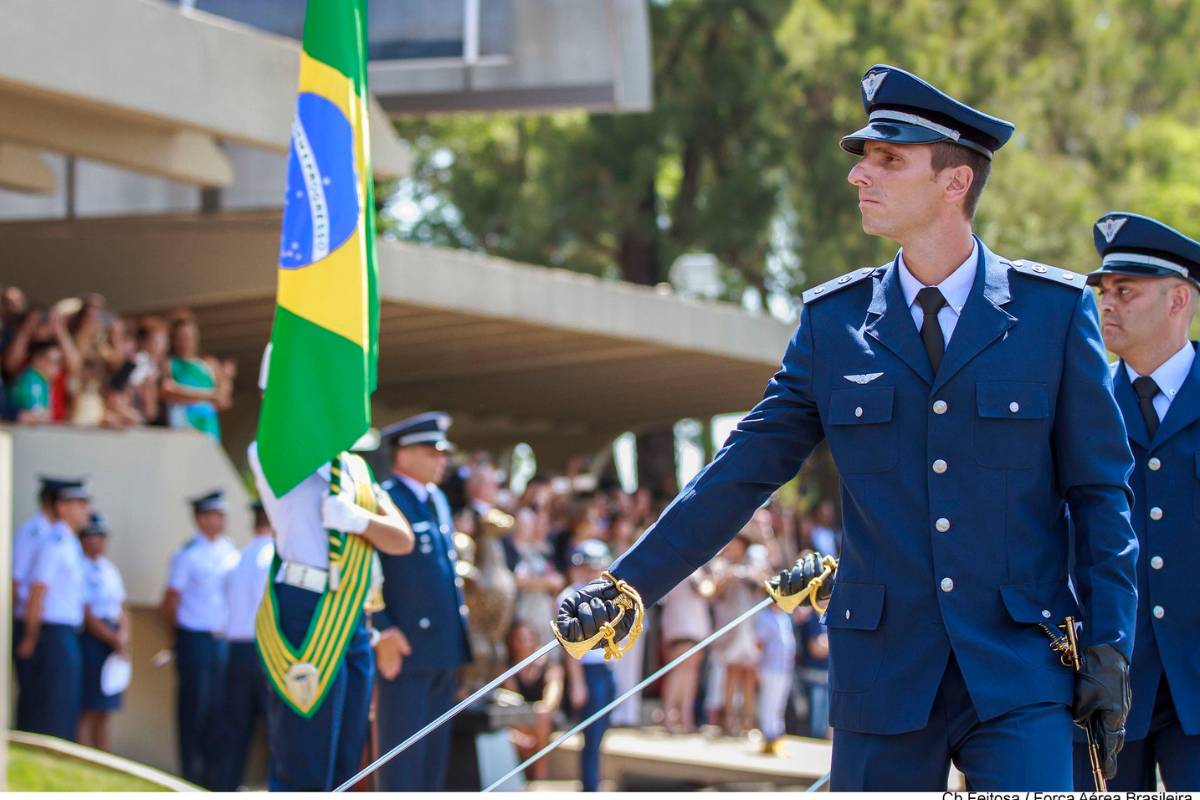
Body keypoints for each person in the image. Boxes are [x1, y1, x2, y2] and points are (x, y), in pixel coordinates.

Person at [557, 65, 1139, 791]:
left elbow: (1100, 495)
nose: (861, 174)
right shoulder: (834, 325)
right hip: (882, 677)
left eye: (888, 158)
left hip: (1022, 670)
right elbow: (742, 469)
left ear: (955, 181)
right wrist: (631, 583)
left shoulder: (1052, 314)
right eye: (863, 157)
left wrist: (1112, 648)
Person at [1079, 212, 1200, 790]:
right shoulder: (1078, 402)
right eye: (1104, 291)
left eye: (1126, 291)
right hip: (1107, 689)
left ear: (1179, 300)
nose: (1108, 304)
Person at [249, 429, 413, 791]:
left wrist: (359, 519)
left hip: (351, 613)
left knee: (346, 759)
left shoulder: (357, 472)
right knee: (304, 757)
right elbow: (264, 443)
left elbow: (402, 538)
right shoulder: (281, 455)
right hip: (306, 608)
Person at [371, 412, 471, 792]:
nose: (441, 460)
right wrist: (383, 630)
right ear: (403, 454)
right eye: (432, 452)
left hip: (441, 648)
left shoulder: (438, 500)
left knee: (432, 763)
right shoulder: (385, 499)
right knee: (402, 762)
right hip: (406, 647)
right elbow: (369, 572)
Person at [160, 489, 239, 786]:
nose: (216, 521)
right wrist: (178, 639)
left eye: (220, 515)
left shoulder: (230, 552)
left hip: (222, 641)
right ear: (198, 519)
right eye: (209, 515)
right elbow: (169, 603)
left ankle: (213, 778)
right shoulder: (187, 555)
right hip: (194, 639)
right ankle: (190, 776)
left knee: (220, 710)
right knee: (194, 709)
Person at [207, 500, 275, 791]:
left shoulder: (236, 558)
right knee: (276, 732)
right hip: (265, 651)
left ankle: (223, 789)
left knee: (234, 730)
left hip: (236, 650)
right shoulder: (275, 556)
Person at [16, 479, 91, 740]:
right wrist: (31, 636)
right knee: (51, 708)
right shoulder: (54, 541)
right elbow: (38, 591)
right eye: (79, 503)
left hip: (67, 632)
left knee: (65, 703)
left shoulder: (70, 542)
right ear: (61, 506)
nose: (86, 510)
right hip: (51, 633)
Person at [558, 539, 618, 793]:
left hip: (605, 669)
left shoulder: (603, 593)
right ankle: (590, 789)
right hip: (587, 670)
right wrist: (577, 683)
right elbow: (569, 646)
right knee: (591, 736)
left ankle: (594, 785)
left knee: (601, 733)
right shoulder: (569, 597)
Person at [11, 476, 63, 730]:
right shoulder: (32, 532)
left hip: (43, 626)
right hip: (29, 624)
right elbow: (16, 581)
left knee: (49, 699)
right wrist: (27, 633)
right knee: (34, 698)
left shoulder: (57, 535)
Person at [78, 512, 130, 751]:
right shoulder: (80, 567)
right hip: (93, 640)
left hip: (112, 641)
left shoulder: (109, 569)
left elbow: (120, 608)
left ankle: (103, 760)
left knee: (105, 709)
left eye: (100, 536)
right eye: (90, 536)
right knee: (88, 707)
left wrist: (122, 637)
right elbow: (87, 612)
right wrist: (111, 638)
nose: (95, 541)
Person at [503, 620, 564, 781]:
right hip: (520, 720)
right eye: (519, 640)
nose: (523, 644)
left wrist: (537, 711)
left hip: (544, 720)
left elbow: (550, 702)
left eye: (527, 639)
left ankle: (538, 777)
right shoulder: (508, 671)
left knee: (541, 721)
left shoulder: (550, 668)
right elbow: (513, 704)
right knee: (520, 730)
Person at [658, 569, 711, 734]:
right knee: (680, 673)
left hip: (683, 627)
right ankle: (671, 718)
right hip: (685, 628)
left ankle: (683, 719)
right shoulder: (692, 570)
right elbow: (707, 591)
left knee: (689, 674)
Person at [756, 603, 796, 755]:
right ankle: (768, 737)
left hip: (784, 668)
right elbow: (759, 643)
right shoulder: (765, 617)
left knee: (779, 704)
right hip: (769, 667)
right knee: (769, 703)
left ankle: (776, 737)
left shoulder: (784, 617)